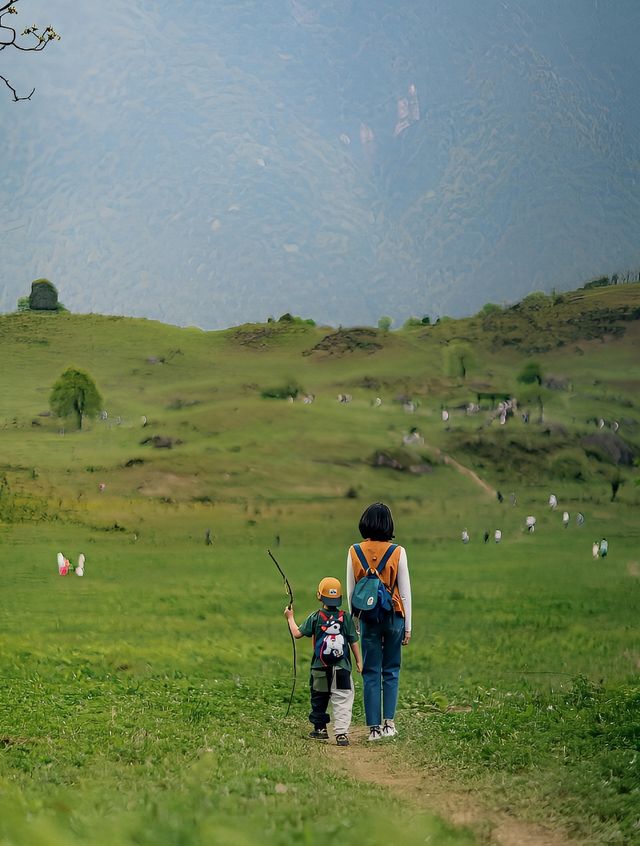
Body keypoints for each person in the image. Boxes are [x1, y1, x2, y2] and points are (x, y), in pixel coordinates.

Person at [347, 503, 412, 741]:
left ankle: (373, 729)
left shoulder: (354, 551)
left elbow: (351, 589)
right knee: (391, 670)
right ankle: (389, 724)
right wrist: (408, 626)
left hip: (368, 617)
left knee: (371, 671)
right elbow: (405, 593)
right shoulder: (398, 551)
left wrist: (354, 622)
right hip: (393, 615)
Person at [285, 577, 361, 747]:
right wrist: (359, 662)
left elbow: (297, 633)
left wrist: (290, 617)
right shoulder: (345, 617)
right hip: (342, 668)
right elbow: (353, 641)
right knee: (342, 698)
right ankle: (341, 734)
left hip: (319, 667)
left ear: (319, 596)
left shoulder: (316, 617)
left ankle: (320, 729)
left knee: (319, 698)